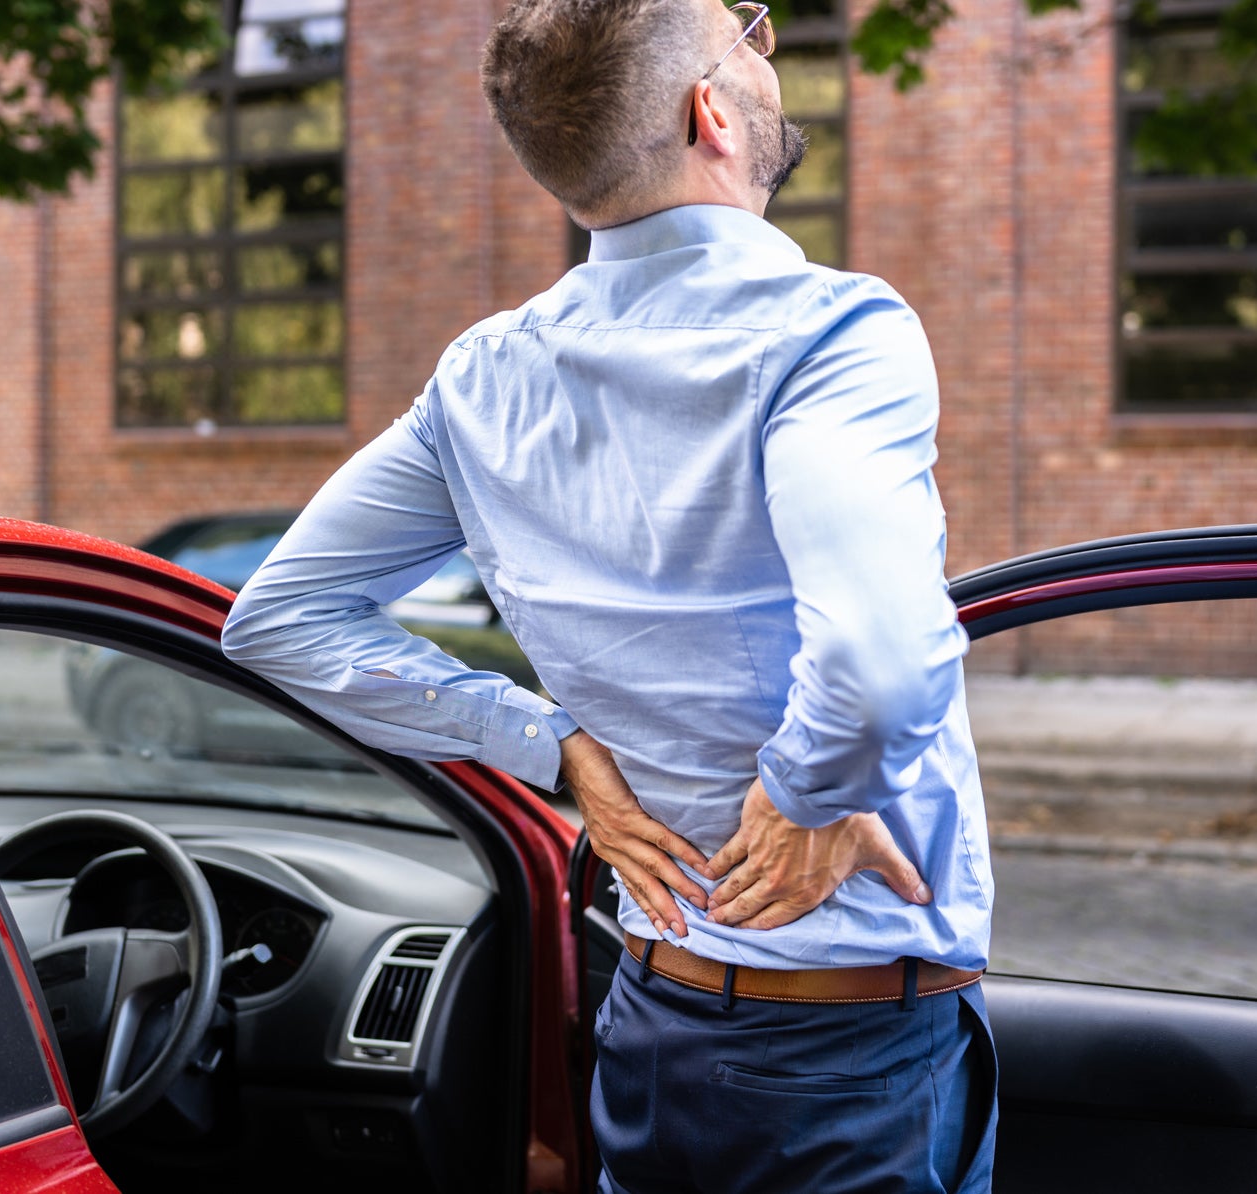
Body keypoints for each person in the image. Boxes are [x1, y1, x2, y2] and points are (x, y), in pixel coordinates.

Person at [223, 1, 995, 1189]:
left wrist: (552, 747)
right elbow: (883, 666)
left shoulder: (483, 380)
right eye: (750, 32)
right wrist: (806, 792)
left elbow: (276, 619)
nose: (767, 46)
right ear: (713, 112)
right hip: (848, 1054)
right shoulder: (831, 333)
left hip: (646, 1020)